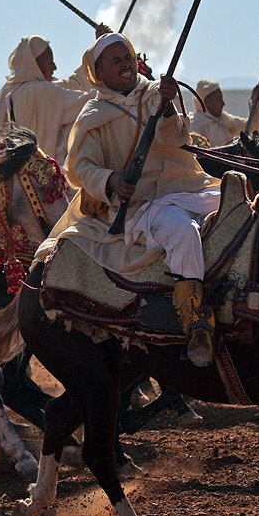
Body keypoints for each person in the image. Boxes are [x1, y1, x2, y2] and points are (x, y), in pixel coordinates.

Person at [37, 32, 221, 366]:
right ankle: (195, 321)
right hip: (143, 205)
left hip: (187, 187)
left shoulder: (154, 93)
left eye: (128, 58)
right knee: (182, 232)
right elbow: (82, 169)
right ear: (99, 72)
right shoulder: (92, 115)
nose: (125, 65)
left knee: (240, 207)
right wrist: (112, 180)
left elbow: (173, 137)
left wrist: (166, 107)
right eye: (116, 60)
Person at [0, 34, 97, 166]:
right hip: (45, 175)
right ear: (35, 66)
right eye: (50, 62)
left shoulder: (12, 91)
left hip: (22, 175)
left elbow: (69, 85)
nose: (54, 67)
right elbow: (86, 103)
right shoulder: (44, 91)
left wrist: (95, 53)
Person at [188, 79, 248, 148]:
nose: (223, 103)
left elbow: (249, 126)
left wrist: (255, 103)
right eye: (219, 99)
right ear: (207, 103)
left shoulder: (225, 119)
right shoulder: (193, 125)